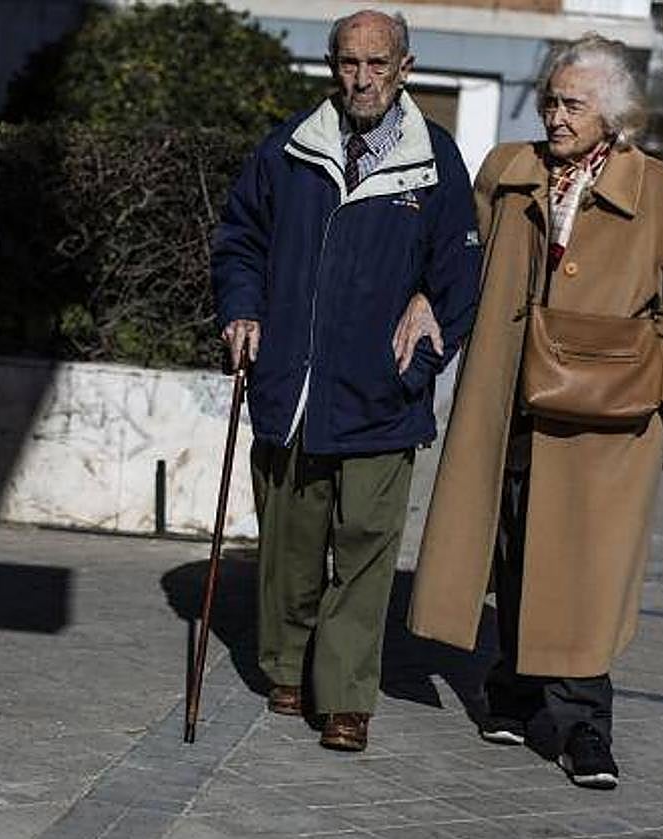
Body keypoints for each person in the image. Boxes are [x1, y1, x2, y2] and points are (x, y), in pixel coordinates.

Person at [407, 34, 663, 788]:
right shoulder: (510, 172)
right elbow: (461, 260)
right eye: (550, 99)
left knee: (583, 569)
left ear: (612, 113)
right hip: (509, 399)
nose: (555, 115)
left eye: (572, 103)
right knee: (512, 547)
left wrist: (657, 393)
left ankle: (582, 725)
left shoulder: (662, 189)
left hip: (607, 419)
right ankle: (509, 690)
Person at [211, 10, 480, 752]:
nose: (362, 79)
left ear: (405, 67)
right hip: (292, 389)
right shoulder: (291, 149)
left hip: (382, 393)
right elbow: (239, 241)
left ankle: (347, 697)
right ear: (334, 65)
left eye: (377, 64)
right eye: (349, 63)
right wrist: (242, 311)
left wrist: (425, 342)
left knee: (365, 545)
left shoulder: (437, 162)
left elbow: (460, 274)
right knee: (291, 547)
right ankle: (288, 665)